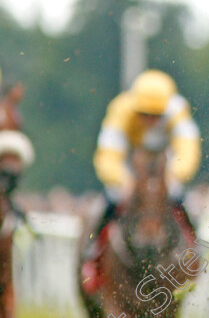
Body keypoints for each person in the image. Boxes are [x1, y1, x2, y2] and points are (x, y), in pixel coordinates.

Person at [86, 69, 201, 254]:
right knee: (111, 197)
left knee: (184, 199)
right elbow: (108, 155)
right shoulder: (121, 109)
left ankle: (194, 247)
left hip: (165, 166)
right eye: (144, 114)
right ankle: (93, 250)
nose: (150, 120)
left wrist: (175, 174)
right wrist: (123, 181)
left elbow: (188, 151)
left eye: (156, 115)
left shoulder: (178, 110)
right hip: (131, 165)